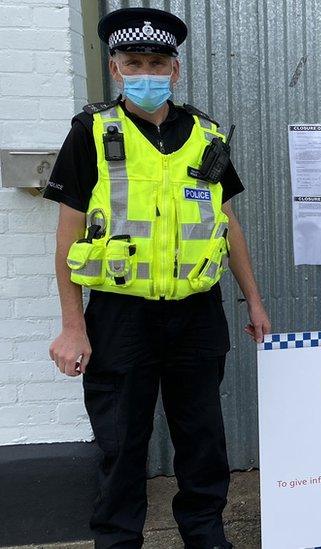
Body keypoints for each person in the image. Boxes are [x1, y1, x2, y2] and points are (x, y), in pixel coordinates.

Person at [44, 7, 271, 547]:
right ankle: (118, 540)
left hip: (196, 314)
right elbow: (67, 234)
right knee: (121, 445)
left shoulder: (207, 137)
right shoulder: (93, 133)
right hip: (122, 316)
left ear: (175, 69)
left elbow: (227, 222)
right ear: (117, 68)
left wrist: (254, 301)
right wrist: (72, 325)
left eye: (158, 61)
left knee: (202, 440)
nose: (146, 70)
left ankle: (205, 534)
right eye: (134, 61)